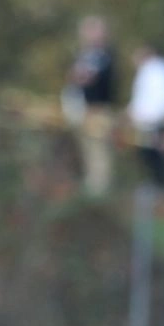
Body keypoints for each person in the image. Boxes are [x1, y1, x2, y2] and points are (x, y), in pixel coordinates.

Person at [66, 16, 117, 197]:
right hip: (84, 108)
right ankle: (92, 184)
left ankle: (100, 188)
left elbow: (88, 78)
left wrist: (81, 76)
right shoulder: (84, 54)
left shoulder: (104, 55)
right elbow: (74, 76)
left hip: (98, 108)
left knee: (99, 150)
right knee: (87, 149)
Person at [127, 44, 164, 188]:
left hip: (156, 122)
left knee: (158, 156)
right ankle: (154, 183)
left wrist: (158, 118)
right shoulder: (149, 71)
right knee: (148, 155)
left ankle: (162, 185)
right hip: (147, 123)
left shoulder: (158, 70)